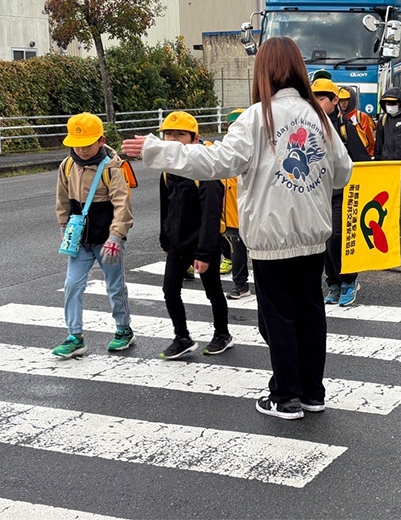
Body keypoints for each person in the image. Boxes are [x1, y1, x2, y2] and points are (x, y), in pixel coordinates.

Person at [121, 37, 353, 420]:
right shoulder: (318, 116)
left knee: (277, 319)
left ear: (263, 70)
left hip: (271, 236)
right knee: (311, 314)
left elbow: (217, 163)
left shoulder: (257, 116)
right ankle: (313, 393)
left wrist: (156, 150)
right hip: (313, 235)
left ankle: (285, 396)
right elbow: (343, 171)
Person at [149, 111, 232, 359]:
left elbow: (211, 214)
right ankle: (182, 336)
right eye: (168, 134)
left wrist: (204, 253)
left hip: (203, 243)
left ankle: (222, 334)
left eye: (180, 134)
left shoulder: (206, 169)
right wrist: (166, 240)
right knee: (170, 289)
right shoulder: (167, 168)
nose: (173, 139)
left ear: (195, 138)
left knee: (213, 290)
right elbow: (166, 207)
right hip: (177, 243)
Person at [54, 112, 134, 358]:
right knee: (72, 285)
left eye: (87, 144)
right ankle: (75, 336)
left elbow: (122, 205)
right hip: (79, 241)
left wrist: (116, 237)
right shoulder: (67, 166)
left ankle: (124, 330)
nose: (82, 150)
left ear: (101, 140)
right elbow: (62, 201)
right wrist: (63, 229)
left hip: (106, 240)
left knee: (115, 286)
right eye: (77, 145)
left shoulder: (113, 168)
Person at [314, 78, 370, 307]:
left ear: (335, 100)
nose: (316, 103)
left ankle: (349, 281)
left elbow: (362, 161)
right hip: (318, 194)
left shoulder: (346, 128)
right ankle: (333, 283)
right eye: (313, 98)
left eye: (321, 98)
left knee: (338, 237)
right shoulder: (309, 127)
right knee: (324, 240)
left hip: (342, 193)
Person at [221, 108, 250, 299]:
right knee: (234, 247)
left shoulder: (251, 147)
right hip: (229, 210)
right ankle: (240, 284)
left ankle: (241, 284)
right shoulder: (225, 147)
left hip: (245, 210)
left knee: (241, 249)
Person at [338, 87, 377, 158]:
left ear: (351, 100)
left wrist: (368, 157)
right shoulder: (338, 118)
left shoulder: (362, 117)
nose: (343, 103)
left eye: (346, 100)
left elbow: (370, 141)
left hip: (360, 158)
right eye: (341, 100)